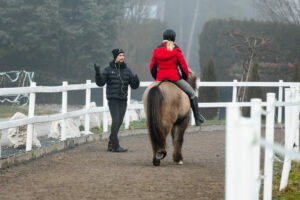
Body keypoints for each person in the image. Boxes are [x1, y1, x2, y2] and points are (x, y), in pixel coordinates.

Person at [149, 29, 205, 126]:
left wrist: (157, 78)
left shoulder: (157, 50)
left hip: (160, 79)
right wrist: (184, 77)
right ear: (173, 38)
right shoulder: (175, 49)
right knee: (192, 94)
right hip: (174, 78)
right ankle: (197, 118)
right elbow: (183, 67)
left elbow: (152, 67)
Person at [94, 48, 140, 152]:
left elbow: (134, 86)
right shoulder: (108, 70)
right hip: (113, 99)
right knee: (116, 120)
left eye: (123, 55)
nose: (122, 57)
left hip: (123, 100)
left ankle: (111, 143)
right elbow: (100, 83)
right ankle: (116, 146)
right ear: (115, 57)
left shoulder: (127, 70)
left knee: (119, 121)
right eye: (120, 55)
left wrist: (136, 81)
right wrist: (97, 73)